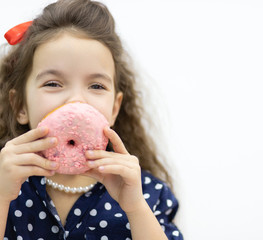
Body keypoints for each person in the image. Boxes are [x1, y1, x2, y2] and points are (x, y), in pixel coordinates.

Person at [0, 0, 183, 239]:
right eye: (53, 83)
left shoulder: (145, 192)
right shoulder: (4, 182)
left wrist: (136, 208)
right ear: (20, 105)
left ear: (115, 108)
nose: (76, 100)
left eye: (96, 85)